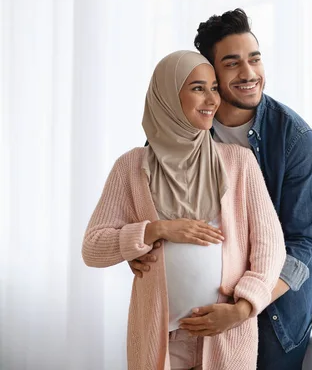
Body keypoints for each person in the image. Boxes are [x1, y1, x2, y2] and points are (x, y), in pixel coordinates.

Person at [130, 8, 312, 370]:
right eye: (232, 64)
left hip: (275, 315)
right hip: (186, 317)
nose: (249, 74)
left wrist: (243, 309)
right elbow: (146, 213)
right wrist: (136, 250)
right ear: (209, 72)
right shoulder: (175, 130)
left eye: (255, 59)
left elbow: (301, 245)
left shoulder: (295, 139)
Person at [82, 50, 285, 370]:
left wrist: (242, 309)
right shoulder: (132, 167)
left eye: (215, 88)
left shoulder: (238, 162)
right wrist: (155, 229)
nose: (212, 99)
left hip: (226, 335)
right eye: (197, 88)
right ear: (167, 95)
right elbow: (93, 247)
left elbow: (270, 248)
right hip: (161, 337)